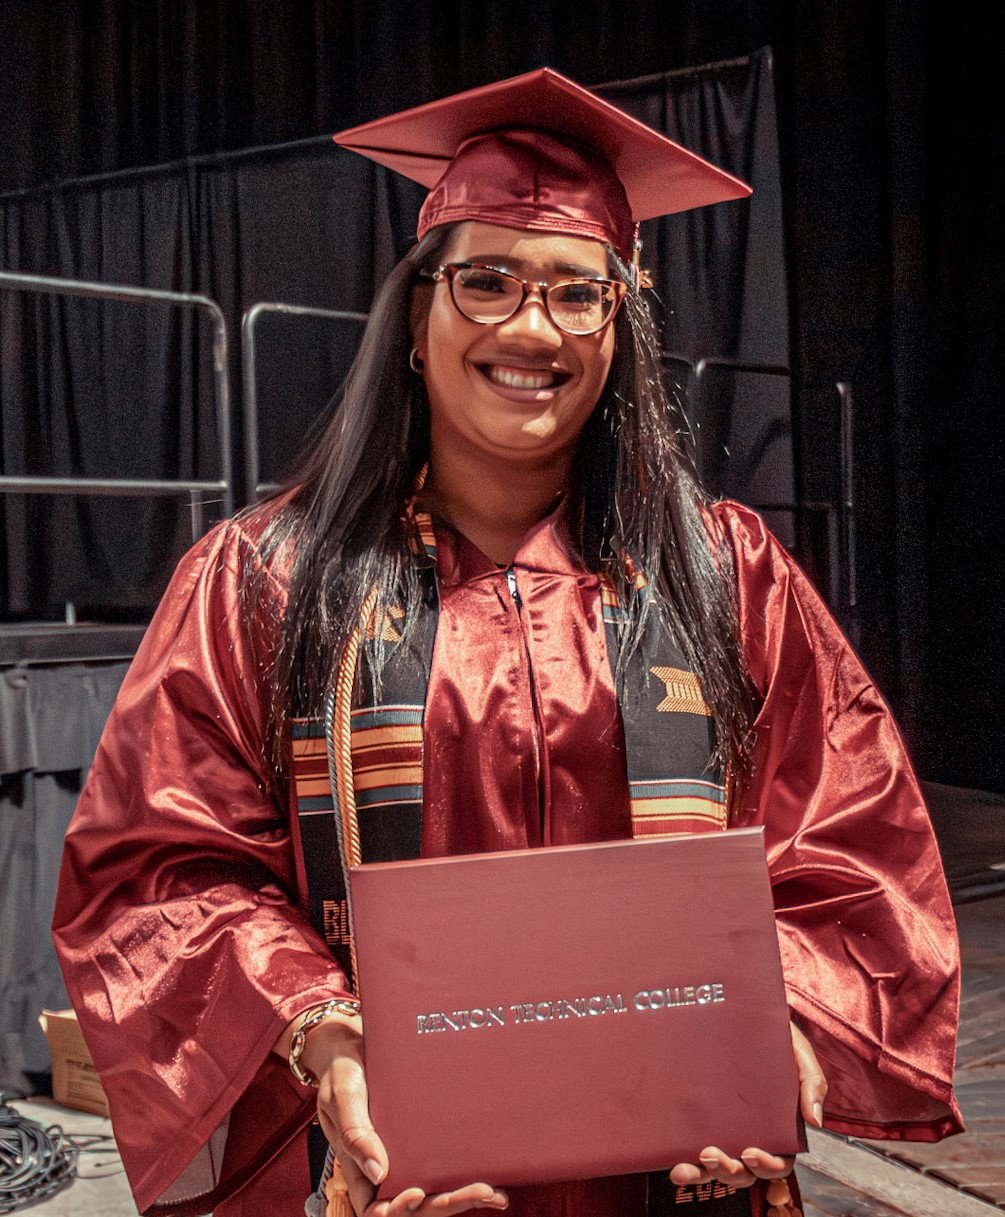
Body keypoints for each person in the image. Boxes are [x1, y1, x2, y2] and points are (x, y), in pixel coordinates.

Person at [52, 69, 962, 1217]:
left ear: (619, 331)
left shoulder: (728, 576)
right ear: (417, 318)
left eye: (578, 294)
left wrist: (775, 1037)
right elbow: (156, 873)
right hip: (393, 1174)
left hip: (679, 1173)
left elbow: (855, 847)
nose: (531, 327)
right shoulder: (265, 579)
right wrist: (329, 1045)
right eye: (487, 281)